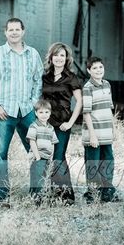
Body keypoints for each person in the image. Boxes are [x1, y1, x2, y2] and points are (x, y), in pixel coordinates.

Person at [0, 17, 44, 207]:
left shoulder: (33, 54)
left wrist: (33, 102)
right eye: (10, 30)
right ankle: (2, 199)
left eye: (17, 29)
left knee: (36, 152)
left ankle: (37, 196)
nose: (14, 32)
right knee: (0, 155)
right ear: (5, 32)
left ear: (23, 31)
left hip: (27, 111)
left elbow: (38, 80)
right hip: (3, 112)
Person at [42, 42, 83, 204]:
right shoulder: (44, 76)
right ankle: (56, 194)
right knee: (47, 157)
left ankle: (65, 196)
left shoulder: (71, 78)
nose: (59, 58)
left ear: (67, 59)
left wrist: (71, 122)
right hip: (45, 123)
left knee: (58, 157)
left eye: (62, 55)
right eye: (56, 55)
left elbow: (79, 102)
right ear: (51, 57)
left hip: (62, 124)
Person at [82, 56, 118, 203]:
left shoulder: (107, 85)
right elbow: (86, 113)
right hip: (94, 134)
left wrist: (113, 128)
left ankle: (107, 192)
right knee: (93, 163)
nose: (98, 70)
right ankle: (93, 194)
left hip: (106, 132)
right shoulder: (87, 87)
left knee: (108, 161)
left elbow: (110, 109)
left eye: (100, 67)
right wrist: (92, 136)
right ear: (89, 70)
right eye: (95, 68)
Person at [26, 99, 59, 206]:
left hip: (47, 157)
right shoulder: (34, 126)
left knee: (45, 178)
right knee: (36, 179)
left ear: (50, 113)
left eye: (46, 112)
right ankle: (35, 201)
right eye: (41, 112)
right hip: (37, 157)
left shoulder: (51, 128)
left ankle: (44, 199)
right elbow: (32, 141)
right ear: (36, 113)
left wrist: (51, 157)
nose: (44, 115)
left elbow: (53, 143)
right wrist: (37, 156)